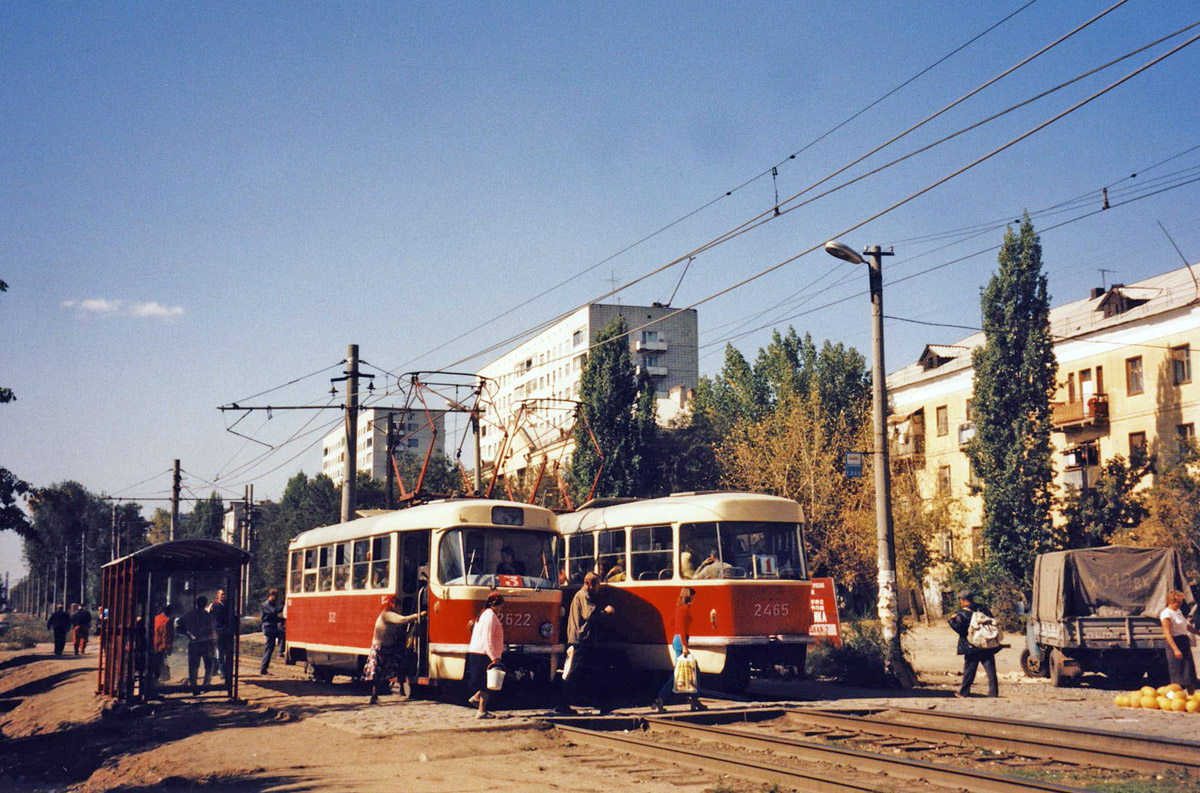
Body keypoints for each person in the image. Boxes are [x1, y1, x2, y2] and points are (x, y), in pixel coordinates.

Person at [556, 572, 616, 715]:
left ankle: (571, 704)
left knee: (584, 672)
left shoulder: (580, 595)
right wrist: (606, 611)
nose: (598, 589)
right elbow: (590, 615)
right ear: (590, 584)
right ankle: (563, 705)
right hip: (581, 640)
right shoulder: (584, 596)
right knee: (576, 672)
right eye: (597, 585)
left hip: (579, 639)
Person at [364, 596, 425, 705]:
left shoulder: (385, 615)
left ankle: (387, 691)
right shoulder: (387, 615)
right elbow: (403, 620)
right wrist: (418, 615)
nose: (399, 608)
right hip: (382, 647)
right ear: (393, 605)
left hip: (386, 646)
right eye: (397, 605)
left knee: (387, 669)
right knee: (383, 671)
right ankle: (376, 694)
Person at [653, 587, 705, 712]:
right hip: (681, 641)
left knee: (690, 670)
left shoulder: (679, 608)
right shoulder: (684, 609)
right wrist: (684, 645)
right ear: (690, 596)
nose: (694, 599)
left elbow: (672, 623)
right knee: (682, 672)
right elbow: (681, 627)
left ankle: (694, 700)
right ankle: (661, 698)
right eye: (693, 596)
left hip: (679, 640)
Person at [949, 590, 999, 698]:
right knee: (991, 670)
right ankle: (993, 693)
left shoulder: (963, 613)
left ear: (962, 600)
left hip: (971, 646)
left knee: (969, 671)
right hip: (986, 644)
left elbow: (960, 629)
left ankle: (963, 692)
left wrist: (951, 620)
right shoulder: (984, 609)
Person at [465, 592, 505, 719]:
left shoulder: (485, 614)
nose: (501, 609)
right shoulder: (490, 616)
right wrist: (494, 657)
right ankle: (481, 711)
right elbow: (487, 638)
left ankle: (476, 698)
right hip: (484, 653)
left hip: (481, 652)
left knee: (485, 683)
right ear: (496, 605)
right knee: (486, 684)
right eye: (500, 606)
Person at [1161, 589, 1199, 694]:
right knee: (1176, 674)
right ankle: (1173, 699)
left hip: (1184, 642)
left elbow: (1185, 626)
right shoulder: (1166, 614)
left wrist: (1197, 632)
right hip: (1174, 643)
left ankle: (1192, 698)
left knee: (1189, 673)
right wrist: (1175, 649)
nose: (1179, 604)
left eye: (1180, 602)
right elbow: (1167, 634)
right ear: (1170, 601)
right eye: (1177, 602)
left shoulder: (1178, 611)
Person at [176, 596, 216, 695]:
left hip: (194, 643)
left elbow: (178, 624)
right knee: (209, 665)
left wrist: (187, 633)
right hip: (206, 643)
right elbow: (211, 630)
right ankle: (206, 684)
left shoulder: (189, 614)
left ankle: (194, 686)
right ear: (206, 604)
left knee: (193, 666)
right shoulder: (207, 615)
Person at [260, 589, 286, 675]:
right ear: (272, 595)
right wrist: (285, 606)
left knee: (269, 649)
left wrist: (283, 620)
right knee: (283, 633)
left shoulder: (271, 604)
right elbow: (273, 611)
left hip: (272, 627)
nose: (276, 599)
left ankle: (263, 669)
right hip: (268, 628)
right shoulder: (265, 605)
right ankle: (281, 652)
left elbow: (273, 617)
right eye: (276, 597)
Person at [209, 589, 234, 680]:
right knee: (219, 652)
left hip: (227, 631)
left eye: (224, 594)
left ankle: (217, 669)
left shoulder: (228, 605)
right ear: (218, 595)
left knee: (226, 651)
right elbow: (210, 618)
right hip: (218, 631)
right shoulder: (214, 606)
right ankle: (222, 672)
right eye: (222, 594)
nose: (223, 596)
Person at [150, 603, 175, 692]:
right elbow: (166, 636)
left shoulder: (156, 618)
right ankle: (155, 684)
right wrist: (167, 648)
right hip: (160, 646)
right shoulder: (167, 621)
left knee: (153, 664)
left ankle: (153, 682)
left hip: (153, 643)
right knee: (159, 664)